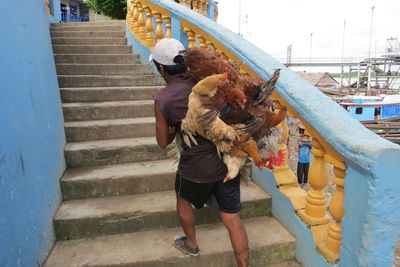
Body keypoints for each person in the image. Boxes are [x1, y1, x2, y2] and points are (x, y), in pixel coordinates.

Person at [151, 38, 249, 267]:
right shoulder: (206, 80)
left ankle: (191, 243)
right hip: (228, 160)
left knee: (183, 200)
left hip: (195, 166)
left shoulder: (162, 98)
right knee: (232, 218)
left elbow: (162, 141)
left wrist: (179, 124)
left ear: (162, 68)